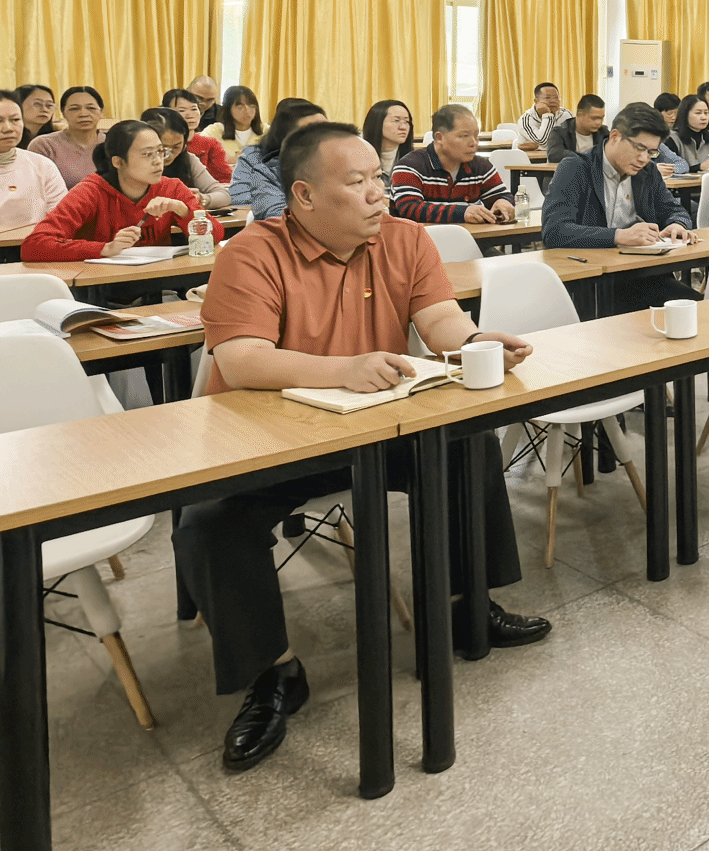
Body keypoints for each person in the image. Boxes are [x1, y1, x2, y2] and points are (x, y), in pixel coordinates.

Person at [175, 122, 546, 774]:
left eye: (378, 177)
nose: (380, 193)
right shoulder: (251, 252)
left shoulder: (405, 239)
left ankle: (463, 607)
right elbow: (241, 359)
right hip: (270, 437)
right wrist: (343, 369)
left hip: (371, 423)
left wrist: (473, 342)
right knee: (210, 520)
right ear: (304, 196)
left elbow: (439, 319)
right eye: (358, 182)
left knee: (467, 446)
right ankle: (273, 673)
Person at [541, 105, 699, 307]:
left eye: (651, 152)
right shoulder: (576, 168)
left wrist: (678, 224)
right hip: (595, 283)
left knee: (699, 310)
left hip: (645, 274)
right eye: (639, 148)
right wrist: (619, 236)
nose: (644, 159)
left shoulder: (648, 171)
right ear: (615, 136)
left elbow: (674, 210)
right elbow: (554, 231)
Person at [23, 119, 200, 260]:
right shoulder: (90, 192)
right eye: (147, 154)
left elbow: (212, 236)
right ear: (118, 162)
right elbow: (34, 245)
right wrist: (105, 248)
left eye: (160, 152)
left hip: (156, 281)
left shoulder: (172, 188)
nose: (158, 161)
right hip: (101, 285)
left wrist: (182, 210)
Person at [390, 105, 515, 224]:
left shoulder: (481, 166)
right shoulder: (410, 165)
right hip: (420, 238)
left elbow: (503, 195)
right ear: (439, 138)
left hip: (470, 237)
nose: (473, 143)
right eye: (464, 136)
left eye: (476, 136)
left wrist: (503, 202)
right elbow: (410, 208)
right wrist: (462, 213)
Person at [0, 87, 66, 228]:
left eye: (15, 120)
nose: (8, 128)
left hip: (38, 241)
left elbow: (61, 220)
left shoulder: (42, 166)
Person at [231, 99, 326, 221]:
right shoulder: (265, 170)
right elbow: (240, 197)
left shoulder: (337, 163)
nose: (324, 137)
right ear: (288, 138)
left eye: (327, 129)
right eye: (312, 132)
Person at [140, 107, 233, 210]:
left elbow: (224, 194)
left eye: (176, 147)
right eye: (162, 148)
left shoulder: (188, 159)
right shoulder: (134, 163)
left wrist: (202, 199)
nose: (169, 155)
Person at [28, 85, 108, 189]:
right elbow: (35, 188)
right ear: (63, 113)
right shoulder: (44, 145)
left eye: (91, 108)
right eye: (74, 109)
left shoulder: (113, 143)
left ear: (101, 112)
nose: (83, 114)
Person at [163, 88, 233, 183]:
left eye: (194, 109)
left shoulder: (210, 144)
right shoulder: (159, 143)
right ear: (166, 113)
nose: (190, 115)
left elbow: (225, 178)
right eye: (182, 110)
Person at [360, 99, 415, 188]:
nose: (403, 127)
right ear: (377, 123)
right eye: (396, 120)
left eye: (407, 121)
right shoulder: (358, 158)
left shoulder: (415, 161)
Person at [668, 94, 709, 172]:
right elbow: (670, 169)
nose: (704, 117)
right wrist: (699, 167)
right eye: (698, 113)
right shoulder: (672, 138)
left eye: (706, 113)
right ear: (685, 114)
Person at [545, 94, 607, 162]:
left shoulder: (603, 133)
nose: (598, 122)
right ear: (580, 114)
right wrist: (585, 158)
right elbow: (554, 155)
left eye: (601, 118)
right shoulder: (560, 132)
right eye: (594, 118)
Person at [214, 85, 264, 163]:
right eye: (240, 107)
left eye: (251, 106)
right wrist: (231, 159)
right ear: (228, 109)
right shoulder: (215, 130)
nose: (247, 111)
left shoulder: (266, 131)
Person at [516, 82, 562, 151]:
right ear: (536, 101)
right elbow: (543, 142)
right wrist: (547, 115)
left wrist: (537, 146)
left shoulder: (566, 114)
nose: (553, 101)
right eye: (547, 98)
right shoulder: (526, 119)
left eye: (556, 97)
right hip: (530, 157)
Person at [14, 83, 58, 148]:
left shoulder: (58, 139)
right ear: (17, 104)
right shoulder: (7, 136)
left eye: (49, 105)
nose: (44, 109)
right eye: (37, 104)